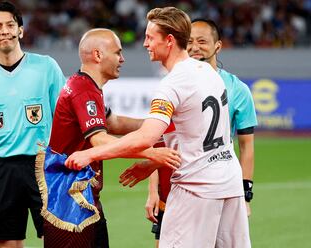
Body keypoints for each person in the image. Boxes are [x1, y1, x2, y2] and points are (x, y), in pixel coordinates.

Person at [66, 7, 251, 248]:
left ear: (170, 41)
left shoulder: (172, 85)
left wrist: (90, 153)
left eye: (150, 37)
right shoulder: (209, 72)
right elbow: (195, 133)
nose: (144, 44)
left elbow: (146, 137)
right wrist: (152, 163)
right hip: (229, 183)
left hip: (196, 189)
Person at [43, 28, 179, 248]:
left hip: (83, 195)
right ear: (98, 55)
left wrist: (161, 124)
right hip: (69, 202)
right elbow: (100, 140)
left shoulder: (87, 86)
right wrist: (150, 151)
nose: (122, 59)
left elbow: (113, 122)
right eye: (117, 53)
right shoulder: (83, 90)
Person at [145, 18, 258, 247]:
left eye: (202, 41)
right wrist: (153, 189)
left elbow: (246, 145)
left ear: (218, 45)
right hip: (182, 178)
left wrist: (246, 193)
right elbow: (159, 138)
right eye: (190, 41)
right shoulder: (183, 80)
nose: (195, 47)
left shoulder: (236, 89)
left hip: (201, 181)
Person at [0, 1, 65, 248]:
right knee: (8, 244)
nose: (5, 31)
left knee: (56, 240)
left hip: (45, 167)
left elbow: (65, 119)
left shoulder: (46, 67)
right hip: (4, 171)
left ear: (21, 29)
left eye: (10, 25)